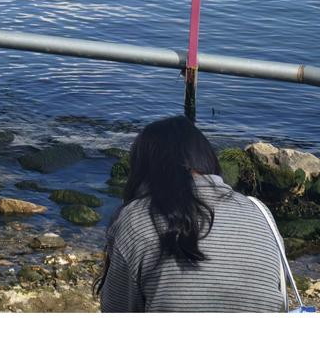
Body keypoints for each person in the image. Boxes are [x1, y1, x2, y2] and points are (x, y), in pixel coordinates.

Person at [97, 116, 289, 313]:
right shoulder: (260, 212)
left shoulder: (135, 219)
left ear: (145, 168)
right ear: (206, 158)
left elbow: (114, 309)